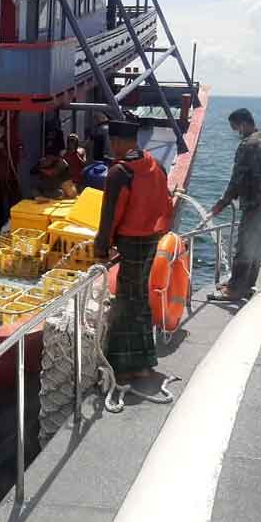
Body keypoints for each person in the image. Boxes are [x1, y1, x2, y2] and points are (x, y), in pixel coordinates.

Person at [94, 120, 178, 379]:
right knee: (139, 298)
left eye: (112, 142)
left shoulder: (120, 172)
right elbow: (166, 205)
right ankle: (144, 361)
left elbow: (109, 215)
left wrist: (102, 247)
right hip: (152, 239)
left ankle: (122, 366)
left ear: (117, 141)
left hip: (130, 242)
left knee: (126, 301)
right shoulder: (157, 166)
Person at [209, 109, 261, 300]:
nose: (235, 132)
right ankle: (247, 283)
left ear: (243, 124)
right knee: (256, 244)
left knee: (245, 245)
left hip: (255, 203)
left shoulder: (247, 145)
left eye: (235, 128)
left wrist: (222, 203)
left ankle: (234, 290)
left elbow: (237, 179)